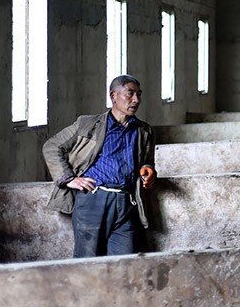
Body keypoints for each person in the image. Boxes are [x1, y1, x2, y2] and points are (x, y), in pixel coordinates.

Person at [42, 75, 157, 258]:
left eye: (139, 95)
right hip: (93, 199)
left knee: (124, 263)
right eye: (130, 93)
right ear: (113, 96)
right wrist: (69, 178)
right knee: (88, 261)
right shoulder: (87, 124)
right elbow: (52, 146)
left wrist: (148, 170)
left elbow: (147, 161)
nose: (136, 100)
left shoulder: (144, 131)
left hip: (126, 201)